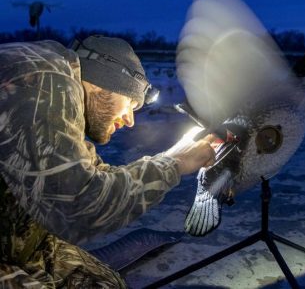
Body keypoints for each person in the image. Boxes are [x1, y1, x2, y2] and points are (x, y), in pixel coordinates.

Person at [0, 35, 215, 288]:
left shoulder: (63, 92)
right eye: (130, 104)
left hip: (15, 242)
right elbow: (78, 204)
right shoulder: (45, 78)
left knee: (107, 283)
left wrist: (169, 160)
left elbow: (94, 176)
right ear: (105, 80)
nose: (130, 120)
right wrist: (173, 163)